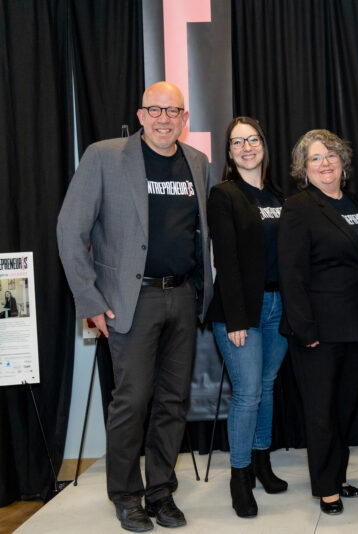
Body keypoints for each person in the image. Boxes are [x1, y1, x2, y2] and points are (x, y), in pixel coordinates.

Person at [57, 81, 212, 532]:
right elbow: (70, 231)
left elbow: (200, 233)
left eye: (174, 111)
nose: (165, 119)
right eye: (155, 110)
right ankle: (125, 496)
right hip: (131, 300)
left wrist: (203, 289)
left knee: (173, 400)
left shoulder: (197, 162)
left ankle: (161, 492)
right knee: (132, 400)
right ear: (141, 115)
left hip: (182, 296)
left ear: (185, 119)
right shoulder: (104, 156)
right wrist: (90, 299)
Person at [277, 129, 358, 516]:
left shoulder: (355, 202)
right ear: (304, 169)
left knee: (344, 409)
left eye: (332, 156)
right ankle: (326, 487)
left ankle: (337, 475)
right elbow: (292, 274)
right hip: (318, 330)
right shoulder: (300, 207)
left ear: (343, 162)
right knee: (321, 412)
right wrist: (305, 331)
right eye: (316, 158)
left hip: (357, 325)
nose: (326, 163)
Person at [205, 117, 288, 518]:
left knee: (267, 386)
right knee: (248, 392)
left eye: (253, 139)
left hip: (278, 307)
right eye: (238, 142)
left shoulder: (277, 195)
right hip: (240, 311)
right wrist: (238, 319)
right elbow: (228, 260)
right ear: (230, 152)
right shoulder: (224, 195)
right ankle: (240, 477)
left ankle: (261, 463)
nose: (246, 147)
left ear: (263, 145)